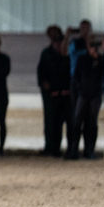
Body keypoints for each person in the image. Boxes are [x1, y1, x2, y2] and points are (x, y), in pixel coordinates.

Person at [68, 39, 104, 159]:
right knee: (77, 122)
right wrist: (80, 89)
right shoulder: (82, 60)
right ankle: (74, 149)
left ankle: (89, 149)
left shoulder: (101, 60)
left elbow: (103, 76)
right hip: (83, 94)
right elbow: (77, 76)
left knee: (92, 123)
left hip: (95, 95)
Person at [37, 25, 70, 156]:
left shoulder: (65, 55)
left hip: (63, 93)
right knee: (50, 121)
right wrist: (44, 84)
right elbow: (41, 72)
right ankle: (50, 146)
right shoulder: (46, 53)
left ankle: (57, 147)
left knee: (61, 121)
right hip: (50, 93)